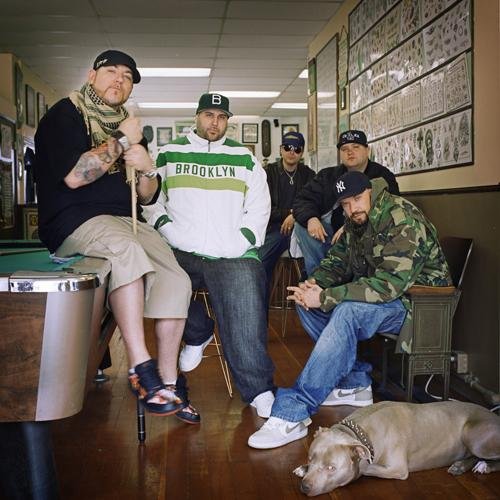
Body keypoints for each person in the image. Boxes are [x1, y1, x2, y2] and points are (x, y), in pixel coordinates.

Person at [34, 50, 197, 422]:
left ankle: (168, 383)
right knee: (126, 251)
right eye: (111, 71)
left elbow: (147, 196)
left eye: (127, 76)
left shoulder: (128, 125)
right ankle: (141, 369)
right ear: (92, 76)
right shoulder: (66, 114)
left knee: (178, 280)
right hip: (75, 221)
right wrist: (123, 142)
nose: (119, 80)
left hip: (127, 220)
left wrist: (148, 168)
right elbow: (75, 177)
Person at [248, 171, 452, 449]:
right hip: (386, 297)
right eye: (345, 203)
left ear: (370, 191)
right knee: (308, 305)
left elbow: (389, 285)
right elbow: (338, 262)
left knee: (346, 311)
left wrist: (327, 296)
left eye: (357, 199)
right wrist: (314, 286)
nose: (352, 208)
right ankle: (355, 384)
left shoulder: (401, 217)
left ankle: (293, 411)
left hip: (418, 306)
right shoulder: (357, 220)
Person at [142, 93, 276, 418]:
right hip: (180, 249)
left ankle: (258, 389)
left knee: (246, 310)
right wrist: (166, 228)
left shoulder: (244, 158)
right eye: (208, 115)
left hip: (231, 252)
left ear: (227, 121)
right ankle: (197, 332)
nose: (214, 122)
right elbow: (151, 200)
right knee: (152, 280)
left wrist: (243, 239)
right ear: (197, 116)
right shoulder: (169, 153)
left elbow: (260, 205)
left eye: (221, 117)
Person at [293, 129, 400, 276]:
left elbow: (390, 211)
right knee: (301, 226)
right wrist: (311, 218)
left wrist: (350, 226)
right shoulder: (327, 176)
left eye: (356, 147)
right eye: (344, 149)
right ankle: (318, 277)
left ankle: (343, 278)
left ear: (367, 150)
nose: (350, 152)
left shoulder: (382, 176)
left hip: (366, 234)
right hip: (329, 234)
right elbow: (302, 199)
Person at [258, 132, 314, 288]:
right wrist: (290, 213)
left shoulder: (309, 175)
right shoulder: (267, 173)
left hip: (301, 227)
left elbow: (314, 204)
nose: (292, 152)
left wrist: (295, 216)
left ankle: (309, 295)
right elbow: (263, 208)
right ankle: (259, 302)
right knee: (259, 264)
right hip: (274, 228)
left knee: (317, 261)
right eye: (288, 147)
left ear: (302, 153)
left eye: (297, 149)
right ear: (281, 149)